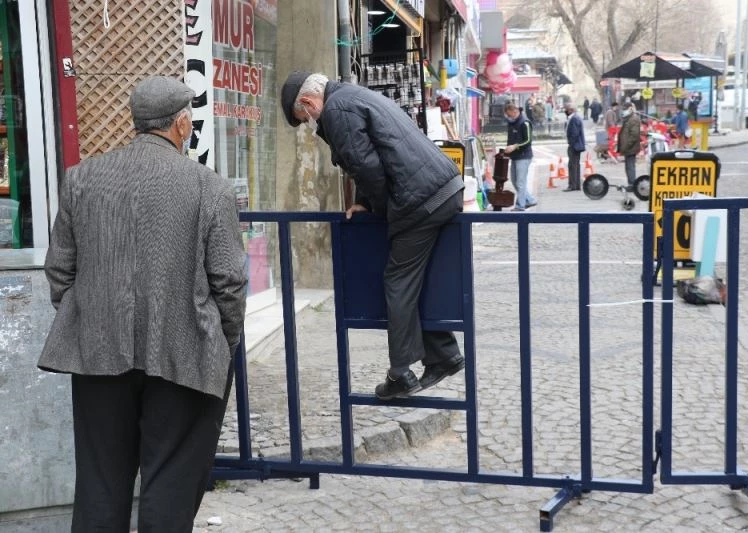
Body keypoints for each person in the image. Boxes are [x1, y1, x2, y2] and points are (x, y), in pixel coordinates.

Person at [38, 76, 248, 532]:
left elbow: (59, 273)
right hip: (184, 355)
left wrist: (89, 322)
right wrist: (220, 343)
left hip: (98, 356)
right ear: (181, 125)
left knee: (100, 484)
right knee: (170, 484)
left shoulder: (81, 179)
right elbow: (229, 283)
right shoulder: (209, 187)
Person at [280, 71, 464, 400]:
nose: (309, 125)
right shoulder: (353, 96)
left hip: (421, 199)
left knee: (398, 281)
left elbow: (365, 167)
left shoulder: (336, 111)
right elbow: (374, 158)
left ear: (308, 102)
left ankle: (402, 372)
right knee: (410, 279)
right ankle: (444, 354)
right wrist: (366, 203)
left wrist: (378, 208)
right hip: (439, 189)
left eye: (304, 118)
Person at [503, 101, 537, 211]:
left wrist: (515, 146)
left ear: (515, 111)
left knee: (520, 182)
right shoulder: (512, 123)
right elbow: (511, 139)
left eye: (509, 114)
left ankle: (520, 205)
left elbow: (528, 140)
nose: (508, 117)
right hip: (515, 156)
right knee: (514, 180)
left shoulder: (525, 123)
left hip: (524, 156)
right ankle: (530, 200)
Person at [617, 102, 642, 187]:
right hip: (628, 148)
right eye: (623, 108)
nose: (623, 110)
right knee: (628, 167)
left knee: (630, 167)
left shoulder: (634, 119)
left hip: (631, 148)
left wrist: (626, 146)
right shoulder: (628, 118)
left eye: (625, 109)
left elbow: (634, 135)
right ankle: (630, 183)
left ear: (630, 108)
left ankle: (632, 184)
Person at [564, 102, 585, 191]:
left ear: (571, 110)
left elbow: (575, 133)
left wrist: (571, 143)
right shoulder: (574, 118)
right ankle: (576, 185)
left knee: (573, 165)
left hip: (574, 146)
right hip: (576, 145)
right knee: (575, 165)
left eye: (567, 109)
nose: (565, 111)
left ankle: (572, 185)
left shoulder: (574, 119)